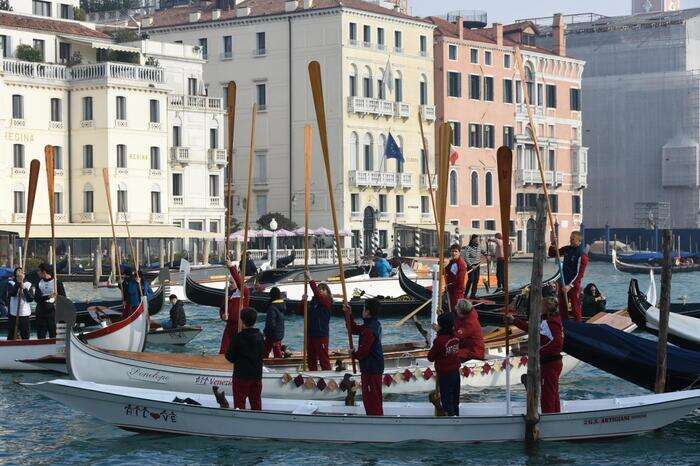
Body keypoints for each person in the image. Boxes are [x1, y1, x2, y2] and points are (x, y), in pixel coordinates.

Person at [510, 296, 564, 413]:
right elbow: (533, 330)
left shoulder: (551, 323)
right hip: (549, 362)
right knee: (552, 392)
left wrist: (538, 352)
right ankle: (555, 414)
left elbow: (558, 343)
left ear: (546, 308)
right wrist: (514, 321)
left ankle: (550, 417)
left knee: (548, 394)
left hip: (551, 362)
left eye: (540, 306)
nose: (538, 308)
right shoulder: (546, 321)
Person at [348, 298, 384, 416]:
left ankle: (376, 423)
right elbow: (353, 329)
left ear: (367, 312)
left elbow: (363, 352)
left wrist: (353, 354)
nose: (362, 311)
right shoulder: (373, 324)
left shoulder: (369, 329)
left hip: (371, 369)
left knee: (371, 400)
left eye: (363, 309)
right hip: (373, 368)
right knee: (373, 398)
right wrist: (348, 314)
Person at [225, 307, 265, 410]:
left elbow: (230, 356)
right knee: (256, 403)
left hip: (241, 375)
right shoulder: (260, 336)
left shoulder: (238, 338)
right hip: (256, 374)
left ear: (242, 321)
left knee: (239, 403)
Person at [549, 231, 589, 321]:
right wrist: (553, 243)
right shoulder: (567, 249)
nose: (570, 240)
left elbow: (580, 274)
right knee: (562, 306)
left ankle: (579, 327)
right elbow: (553, 254)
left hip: (573, 285)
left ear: (579, 241)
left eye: (572, 239)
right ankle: (564, 325)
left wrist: (570, 286)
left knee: (575, 307)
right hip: (563, 282)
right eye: (570, 238)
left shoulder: (582, 255)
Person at [427, 312, 461, 416]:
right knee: (455, 399)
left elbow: (430, 357)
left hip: (445, 374)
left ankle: (450, 420)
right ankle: (456, 417)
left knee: (446, 400)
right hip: (455, 372)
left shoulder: (439, 341)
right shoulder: (455, 337)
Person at [219, 260, 250, 354]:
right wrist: (223, 316)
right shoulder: (229, 296)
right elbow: (222, 309)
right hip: (229, 327)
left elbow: (239, 281)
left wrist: (231, 267)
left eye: (231, 283)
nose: (230, 285)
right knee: (224, 350)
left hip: (240, 326)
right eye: (229, 283)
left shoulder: (244, 293)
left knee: (239, 350)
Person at [303, 277, 333, 370]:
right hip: (311, 334)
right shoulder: (313, 303)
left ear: (327, 292)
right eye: (319, 289)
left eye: (323, 289)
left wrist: (311, 280)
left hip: (321, 334)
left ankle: (327, 375)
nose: (320, 291)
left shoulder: (327, 302)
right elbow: (302, 312)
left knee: (323, 358)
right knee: (311, 359)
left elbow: (319, 296)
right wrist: (303, 301)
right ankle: (312, 375)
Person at [34, 263, 66, 339]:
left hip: (53, 312)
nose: (38, 273)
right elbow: (37, 298)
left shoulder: (57, 282)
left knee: (54, 335)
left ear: (44, 272)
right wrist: (48, 296)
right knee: (41, 336)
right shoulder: (39, 283)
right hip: (41, 312)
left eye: (39, 271)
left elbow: (64, 298)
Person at [6, 267, 33, 340]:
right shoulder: (11, 283)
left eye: (21, 271)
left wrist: (24, 289)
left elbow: (30, 299)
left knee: (25, 333)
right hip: (14, 312)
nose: (20, 273)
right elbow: (12, 294)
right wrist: (18, 283)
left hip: (24, 313)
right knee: (12, 332)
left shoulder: (28, 284)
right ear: (15, 274)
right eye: (18, 271)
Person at [263, 287, 285, 358]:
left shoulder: (272, 308)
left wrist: (265, 332)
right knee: (274, 349)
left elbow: (271, 323)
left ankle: (263, 362)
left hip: (272, 334)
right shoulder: (281, 306)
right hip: (279, 333)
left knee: (267, 350)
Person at [444, 244, 467, 312]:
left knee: (456, 309)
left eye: (456, 251)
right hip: (450, 290)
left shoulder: (461, 264)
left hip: (458, 291)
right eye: (452, 251)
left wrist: (449, 285)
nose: (454, 253)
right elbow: (445, 271)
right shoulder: (451, 262)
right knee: (451, 308)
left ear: (459, 252)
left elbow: (460, 280)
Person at [462, 235, 485, 299]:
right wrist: (471, 265)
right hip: (471, 266)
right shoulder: (468, 248)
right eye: (476, 239)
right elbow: (466, 258)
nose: (478, 241)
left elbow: (483, 251)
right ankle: (465, 294)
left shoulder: (479, 246)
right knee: (471, 280)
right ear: (473, 240)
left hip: (477, 265)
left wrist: (486, 255)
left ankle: (473, 295)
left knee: (476, 279)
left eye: (478, 239)